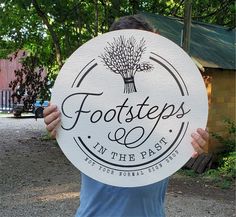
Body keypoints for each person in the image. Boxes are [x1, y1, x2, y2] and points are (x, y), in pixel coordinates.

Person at [43, 15, 209, 217]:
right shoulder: (90, 99)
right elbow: (71, 131)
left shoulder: (169, 103)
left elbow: (181, 142)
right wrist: (58, 126)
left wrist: (194, 141)